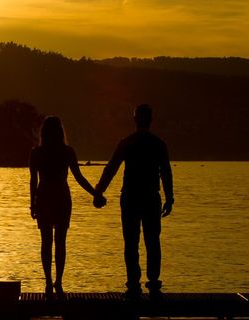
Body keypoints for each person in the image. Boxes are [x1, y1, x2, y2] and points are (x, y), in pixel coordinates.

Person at [93, 104, 173, 299]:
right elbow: (166, 172)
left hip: (130, 197)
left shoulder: (127, 142)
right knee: (152, 241)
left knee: (131, 242)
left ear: (135, 120)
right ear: (151, 120)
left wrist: (98, 191)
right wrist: (170, 198)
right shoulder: (158, 144)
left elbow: (111, 168)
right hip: (151, 197)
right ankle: (153, 282)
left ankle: (134, 283)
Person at [29, 116, 98, 297]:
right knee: (60, 242)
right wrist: (96, 193)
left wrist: (32, 204)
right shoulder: (67, 151)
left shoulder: (36, 153)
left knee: (46, 242)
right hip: (61, 197)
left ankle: (48, 281)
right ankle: (58, 281)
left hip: (43, 196)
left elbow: (33, 181)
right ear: (61, 132)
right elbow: (79, 177)